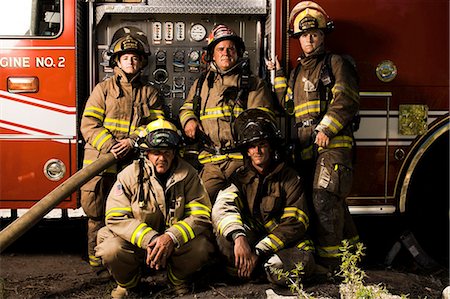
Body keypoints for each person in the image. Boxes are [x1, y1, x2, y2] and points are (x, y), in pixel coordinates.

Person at [267, 1, 360, 271]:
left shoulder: (336, 63)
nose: (309, 39)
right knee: (331, 202)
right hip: (307, 148)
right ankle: (354, 256)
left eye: (315, 34)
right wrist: (280, 74)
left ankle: (332, 267)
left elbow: (346, 98)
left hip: (333, 143)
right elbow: (287, 105)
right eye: (304, 35)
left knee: (323, 197)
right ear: (298, 40)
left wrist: (326, 128)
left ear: (322, 36)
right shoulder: (297, 71)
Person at [95, 119, 215, 298]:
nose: (162, 158)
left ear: (175, 153)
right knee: (110, 248)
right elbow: (115, 217)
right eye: (156, 152)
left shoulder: (188, 175)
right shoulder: (129, 175)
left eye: (167, 152)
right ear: (146, 153)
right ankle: (129, 284)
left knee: (202, 246)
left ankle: (176, 279)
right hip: (138, 244)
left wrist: (171, 237)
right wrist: (150, 239)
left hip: (173, 245)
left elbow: (200, 215)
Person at [80, 27, 165, 269]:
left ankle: (127, 260)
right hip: (101, 163)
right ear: (117, 61)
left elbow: (157, 125)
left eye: (135, 57)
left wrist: (132, 141)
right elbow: (89, 124)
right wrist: (110, 145)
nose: (131, 61)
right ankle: (97, 263)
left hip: (131, 164)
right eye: (126, 57)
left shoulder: (150, 93)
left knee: (130, 213)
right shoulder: (103, 90)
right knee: (96, 214)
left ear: (142, 63)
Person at [211, 109, 315, 286]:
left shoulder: (290, 177)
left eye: (262, 144)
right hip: (255, 241)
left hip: (287, 246)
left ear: (271, 146)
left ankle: (257, 269)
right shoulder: (239, 177)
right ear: (246, 151)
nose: (257, 150)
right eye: (252, 146)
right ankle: (246, 271)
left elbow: (295, 223)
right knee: (224, 236)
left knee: (278, 269)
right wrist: (239, 237)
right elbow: (223, 206)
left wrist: (258, 251)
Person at [179, 24, 275, 203]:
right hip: (210, 162)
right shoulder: (202, 84)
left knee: (244, 207)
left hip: (242, 161)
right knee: (198, 206)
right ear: (211, 55)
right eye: (220, 49)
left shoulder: (253, 84)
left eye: (231, 49)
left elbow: (261, 124)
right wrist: (189, 120)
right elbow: (186, 108)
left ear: (238, 53)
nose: (226, 53)